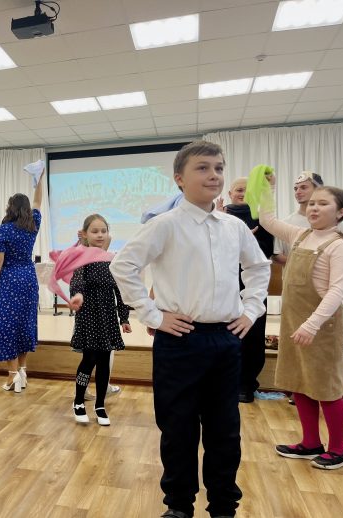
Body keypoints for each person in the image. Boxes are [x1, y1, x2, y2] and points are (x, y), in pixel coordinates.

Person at [110, 141, 271, 518]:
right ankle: (179, 506)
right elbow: (123, 267)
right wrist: (153, 315)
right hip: (179, 340)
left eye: (219, 168)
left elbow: (259, 268)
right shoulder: (164, 225)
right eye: (203, 168)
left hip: (226, 339)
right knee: (178, 428)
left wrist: (251, 310)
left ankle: (223, 506)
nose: (214, 175)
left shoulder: (234, 227)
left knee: (225, 430)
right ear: (179, 179)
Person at [254, 175, 343, 470]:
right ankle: (310, 443)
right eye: (312, 204)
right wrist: (269, 188)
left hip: (323, 326)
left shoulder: (340, 246)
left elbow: (336, 291)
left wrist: (312, 325)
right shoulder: (299, 235)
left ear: (341, 212)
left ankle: (340, 449)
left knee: (326, 387)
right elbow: (267, 220)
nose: (314, 208)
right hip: (294, 321)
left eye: (323, 204)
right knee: (298, 382)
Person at [67, 215, 132, 425]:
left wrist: (124, 317)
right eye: (95, 231)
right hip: (89, 315)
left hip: (107, 316)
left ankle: (100, 404)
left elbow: (119, 290)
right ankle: (78, 401)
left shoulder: (111, 259)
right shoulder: (82, 257)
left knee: (104, 362)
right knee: (89, 360)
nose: (100, 235)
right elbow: (77, 281)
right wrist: (77, 295)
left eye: (103, 231)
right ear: (85, 234)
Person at [0, 174, 44, 392]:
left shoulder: (1, 230)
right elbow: (38, 201)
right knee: (25, 324)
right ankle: (23, 370)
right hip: (28, 278)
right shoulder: (33, 225)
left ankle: (12, 375)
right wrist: (39, 179)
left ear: (10, 208)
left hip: (9, 280)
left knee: (6, 325)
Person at [224, 177, 274, 403]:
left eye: (247, 190)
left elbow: (266, 253)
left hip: (252, 288)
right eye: (238, 189)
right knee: (226, 334)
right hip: (225, 286)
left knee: (252, 336)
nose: (242, 193)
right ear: (230, 193)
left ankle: (246, 384)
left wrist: (248, 242)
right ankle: (225, 383)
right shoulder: (219, 216)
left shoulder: (262, 219)